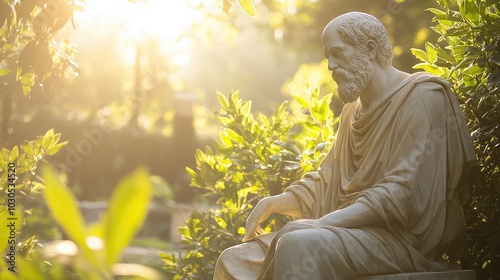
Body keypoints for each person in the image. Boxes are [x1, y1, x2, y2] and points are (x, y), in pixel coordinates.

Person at [214, 11, 476, 280]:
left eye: (337, 53)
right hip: (346, 232)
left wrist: (322, 223)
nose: (330, 66)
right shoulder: (352, 110)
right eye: (328, 57)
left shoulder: (423, 97)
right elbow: (329, 181)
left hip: (398, 239)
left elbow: (402, 193)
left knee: (297, 245)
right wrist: (274, 203)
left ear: (370, 49)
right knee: (233, 260)